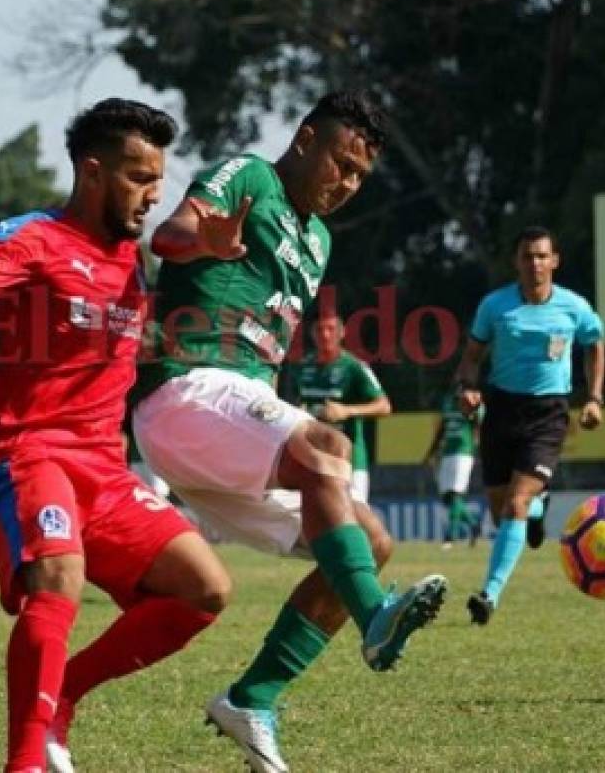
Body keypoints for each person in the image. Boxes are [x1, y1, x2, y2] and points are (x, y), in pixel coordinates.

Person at [0, 99, 231, 773]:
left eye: (158, 178)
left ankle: (61, 694)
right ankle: (25, 763)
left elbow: (132, 347)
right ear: (91, 173)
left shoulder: (133, 259)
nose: (153, 194)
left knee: (204, 587)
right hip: (29, 450)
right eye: (138, 177)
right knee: (59, 576)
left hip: (105, 468)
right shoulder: (32, 236)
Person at [133, 90, 447, 773]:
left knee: (370, 541)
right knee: (326, 449)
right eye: (340, 162)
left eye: (360, 176)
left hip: (229, 414)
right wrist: (203, 239)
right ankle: (375, 621)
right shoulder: (249, 176)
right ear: (305, 139)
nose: (346, 184)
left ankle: (252, 697)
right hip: (184, 390)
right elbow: (168, 237)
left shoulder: (319, 239)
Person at [454, 225, 605, 625]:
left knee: (514, 504)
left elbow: (595, 345)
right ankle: (538, 509)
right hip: (501, 410)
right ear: (516, 262)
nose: (535, 263)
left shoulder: (574, 307)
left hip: (548, 414)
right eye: (527, 256)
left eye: (542, 256)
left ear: (554, 261)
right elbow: (471, 357)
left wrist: (594, 397)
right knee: (502, 510)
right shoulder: (495, 307)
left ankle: (489, 595)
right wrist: (467, 388)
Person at [291, 312, 392, 503]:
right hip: (314, 456)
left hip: (349, 457)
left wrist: (346, 411)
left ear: (342, 333)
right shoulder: (303, 367)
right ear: (312, 334)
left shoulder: (354, 367)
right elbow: (299, 402)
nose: (325, 335)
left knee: (356, 514)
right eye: (320, 330)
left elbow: (384, 406)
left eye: (331, 329)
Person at [423, 389, 483, 549]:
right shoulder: (448, 402)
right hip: (447, 454)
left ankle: (450, 537)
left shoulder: (472, 403)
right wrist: (431, 453)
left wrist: (476, 407)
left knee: (456, 494)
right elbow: (441, 430)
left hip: (463, 453)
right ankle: (474, 524)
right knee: (447, 498)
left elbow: (479, 422)